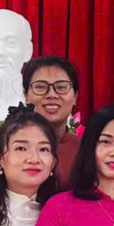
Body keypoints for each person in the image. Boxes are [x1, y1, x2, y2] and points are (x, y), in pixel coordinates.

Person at [22, 54, 84, 184]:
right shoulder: (8, 144)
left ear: (75, 97)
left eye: (61, 87)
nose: (52, 95)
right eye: (41, 87)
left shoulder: (85, 149)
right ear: (26, 95)